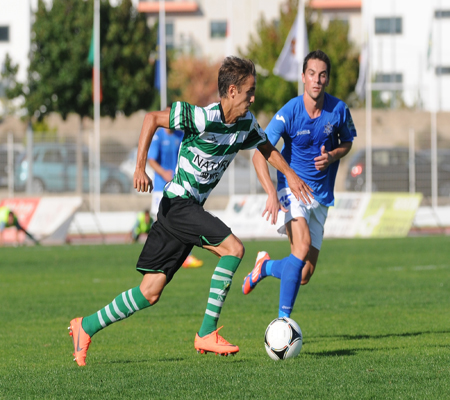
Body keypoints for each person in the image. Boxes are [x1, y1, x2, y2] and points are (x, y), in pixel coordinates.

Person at [68, 56, 312, 366]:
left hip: (182, 210)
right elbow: (151, 119)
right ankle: (206, 332)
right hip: (177, 204)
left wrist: (289, 174)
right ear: (233, 90)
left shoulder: (246, 124)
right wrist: (140, 167)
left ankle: (85, 327)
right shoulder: (201, 117)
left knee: (149, 292)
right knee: (234, 249)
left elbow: (266, 148)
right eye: (250, 91)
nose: (253, 98)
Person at [242, 50, 357, 319]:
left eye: (322, 75)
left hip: (321, 197)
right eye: (312, 74)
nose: (317, 80)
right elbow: (259, 153)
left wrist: (332, 156)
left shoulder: (338, 110)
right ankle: (284, 323)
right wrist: (272, 191)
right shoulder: (290, 112)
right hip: (291, 190)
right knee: (302, 246)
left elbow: (348, 142)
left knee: (303, 274)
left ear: (327, 79)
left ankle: (265, 267)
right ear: (304, 77)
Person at [147, 111, 203, 268]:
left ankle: (185, 255)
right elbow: (151, 160)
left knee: (183, 217)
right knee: (159, 220)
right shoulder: (158, 136)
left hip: (178, 186)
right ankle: (156, 254)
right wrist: (163, 172)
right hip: (160, 186)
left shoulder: (180, 135)